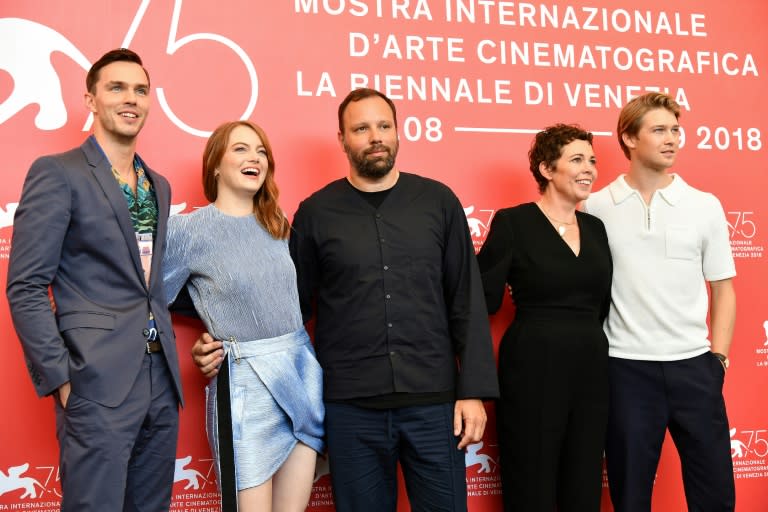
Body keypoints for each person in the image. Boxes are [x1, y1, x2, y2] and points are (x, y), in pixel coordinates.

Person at [192, 88, 499, 511]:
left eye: (383, 126)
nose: (375, 137)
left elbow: (466, 299)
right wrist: (222, 336)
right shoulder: (316, 213)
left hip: (435, 405)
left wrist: (473, 392)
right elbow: (287, 305)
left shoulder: (438, 202)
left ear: (397, 132)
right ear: (342, 139)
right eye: (361, 128)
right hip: (351, 411)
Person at [6, 48, 182, 511]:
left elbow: (149, 282)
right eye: (117, 87)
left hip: (160, 377)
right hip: (96, 380)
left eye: (141, 90)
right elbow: (24, 286)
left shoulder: (157, 185)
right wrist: (62, 378)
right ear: (90, 99)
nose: (131, 99)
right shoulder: (58, 173)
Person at [584, 92, 737, 511]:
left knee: (716, 494)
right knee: (630, 496)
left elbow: (723, 287)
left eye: (675, 130)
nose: (672, 139)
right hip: (626, 370)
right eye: (659, 130)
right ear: (629, 138)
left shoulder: (704, 206)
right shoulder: (596, 208)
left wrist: (718, 360)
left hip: (695, 368)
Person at [163, 120, 324, 511]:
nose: (254, 157)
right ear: (215, 164)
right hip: (245, 388)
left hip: (301, 376)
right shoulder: (187, 230)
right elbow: (146, 295)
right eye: (240, 148)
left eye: (261, 151)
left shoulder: (280, 225)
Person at [476, 124, 612, 511]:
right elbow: (481, 295)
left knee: (584, 482)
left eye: (592, 160)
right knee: (531, 483)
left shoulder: (596, 229)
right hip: (533, 368)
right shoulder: (514, 222)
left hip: (590, 369)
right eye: (576, 159)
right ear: (546, 169)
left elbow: (600, 304)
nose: (589, 168)